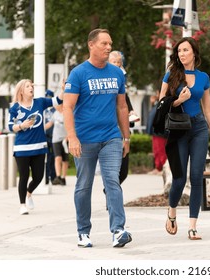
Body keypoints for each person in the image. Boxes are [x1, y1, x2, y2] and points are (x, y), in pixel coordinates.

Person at [63, 28, 132, 248]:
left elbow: (122, 106)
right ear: (91, 45)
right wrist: (72, 137)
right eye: (104, 44)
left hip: (111, 137)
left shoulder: (116, 73)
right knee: (84, 185)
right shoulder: (78, 74)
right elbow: (67, 106)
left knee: (112, 180)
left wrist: (126, 137)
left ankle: (118, 230)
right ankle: (83, 232)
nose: (108, 47)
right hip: (84, 140)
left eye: (110, 43)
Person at [158, 37, 210, 240]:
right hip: (178, 130)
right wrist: (178, 100)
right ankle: (172, 210)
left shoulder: (203, 77)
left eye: (185, 50)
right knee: (179, 178)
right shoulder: (171, 75)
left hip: (199, 129)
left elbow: (208, 108)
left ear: (194, 52)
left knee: (196, 177)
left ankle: (193, 226)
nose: (182, 54)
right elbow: (161, 104)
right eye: (179, 51)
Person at [8, 79, 63, 215]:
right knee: (24, 176)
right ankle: (22, 205)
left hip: (39, 146)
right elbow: (10, 126)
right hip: (22, 148)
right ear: (21, 90)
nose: (31, 87)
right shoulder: (15, 107)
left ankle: (29, 193)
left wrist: (63, 89)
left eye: (32, 85)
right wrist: (21, 126)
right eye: (28, 86)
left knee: (39, 176)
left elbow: (58, 101)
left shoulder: (40, 102)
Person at [108, 50, 139, 184]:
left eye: (119, 63)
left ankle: (109, 191)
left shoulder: (121, 85)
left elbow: (125, 104)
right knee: (112, 171)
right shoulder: (105, 84)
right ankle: (111, 197)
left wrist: (131, 113)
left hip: (122, 133)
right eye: (113, 62)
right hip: (108, 133)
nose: (117, 65)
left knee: (123, 173)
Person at [46, 103, 68, 186]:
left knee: (65, 160)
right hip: (56, 139)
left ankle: (63, 177)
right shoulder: (55, 114)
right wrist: (40, 128)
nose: (55, 107)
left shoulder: (67, 113)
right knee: (57, 157)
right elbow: (50, 124)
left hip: (65, 139)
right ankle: (58, 176)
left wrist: (68, 137)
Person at [146, 92, 167, 175]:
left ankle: (162, 169)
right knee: (156, 151)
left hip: (160, 131)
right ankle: (158, 168)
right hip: (155, 132)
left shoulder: (164, 102)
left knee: (161, 151)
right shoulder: (157, 104)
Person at [43, 90, 56, 185]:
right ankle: (46, 177)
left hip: (54, 136)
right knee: (46, 158)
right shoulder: (43, 110)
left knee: (54, 157)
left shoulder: (55, 110)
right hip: (45, 136)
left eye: (49, 97)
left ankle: (54, 176)